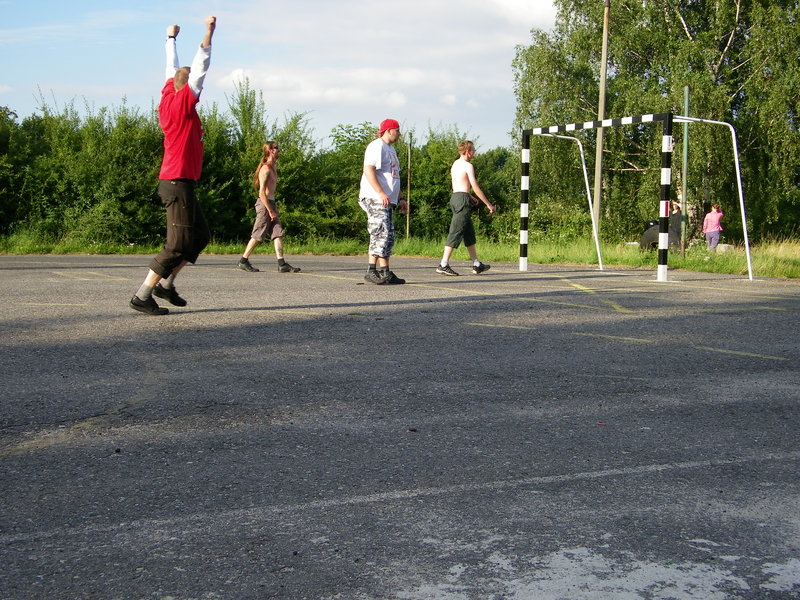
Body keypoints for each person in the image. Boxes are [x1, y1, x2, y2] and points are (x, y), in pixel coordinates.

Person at [129, 16, 216, 315]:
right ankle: (142, 295)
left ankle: (166, 284)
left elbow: (171, 69)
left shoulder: (168, 94)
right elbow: (201, 68)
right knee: (177, 244)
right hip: (176, 182)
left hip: (182, 183)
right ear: (188, 89)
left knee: (200, 236)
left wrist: (171, 39)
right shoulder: (182, 105)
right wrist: (208, 32)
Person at [237, 142, 301, 273]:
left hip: (271, 203)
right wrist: (270, 211)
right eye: (276, 147)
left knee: (278, 233)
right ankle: (243, 261)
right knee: (258, 234)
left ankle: (282, 264)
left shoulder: (274, 167)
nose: (279, 149)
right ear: (270, 150)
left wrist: (272, 208)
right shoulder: (265, 169)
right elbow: (262, 193)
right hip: (264, 205)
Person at [358, 118, 408, 284]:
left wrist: (400, 198)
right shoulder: (377, 146)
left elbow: (394, 177)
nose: (399, 133)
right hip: (375, 197)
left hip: (387, 200)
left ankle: (385, 272)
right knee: (380, 232)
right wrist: (380, 192)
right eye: (397, 130)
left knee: (387, 235)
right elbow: (368, 169)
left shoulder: (391, 149)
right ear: (389, 131)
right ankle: (371, 271)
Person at [436, 140, 495, 276]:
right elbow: (475, 186)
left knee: (468, 232)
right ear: (468, 151)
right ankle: (443, 264)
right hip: (462, 200)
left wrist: (470, 196)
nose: (474, 153)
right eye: (473, 150)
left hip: (457, 197)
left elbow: (459, 184)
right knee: (456, 231)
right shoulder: (468, 166)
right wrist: (488, 204)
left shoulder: (455, 164)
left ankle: (476, 264)